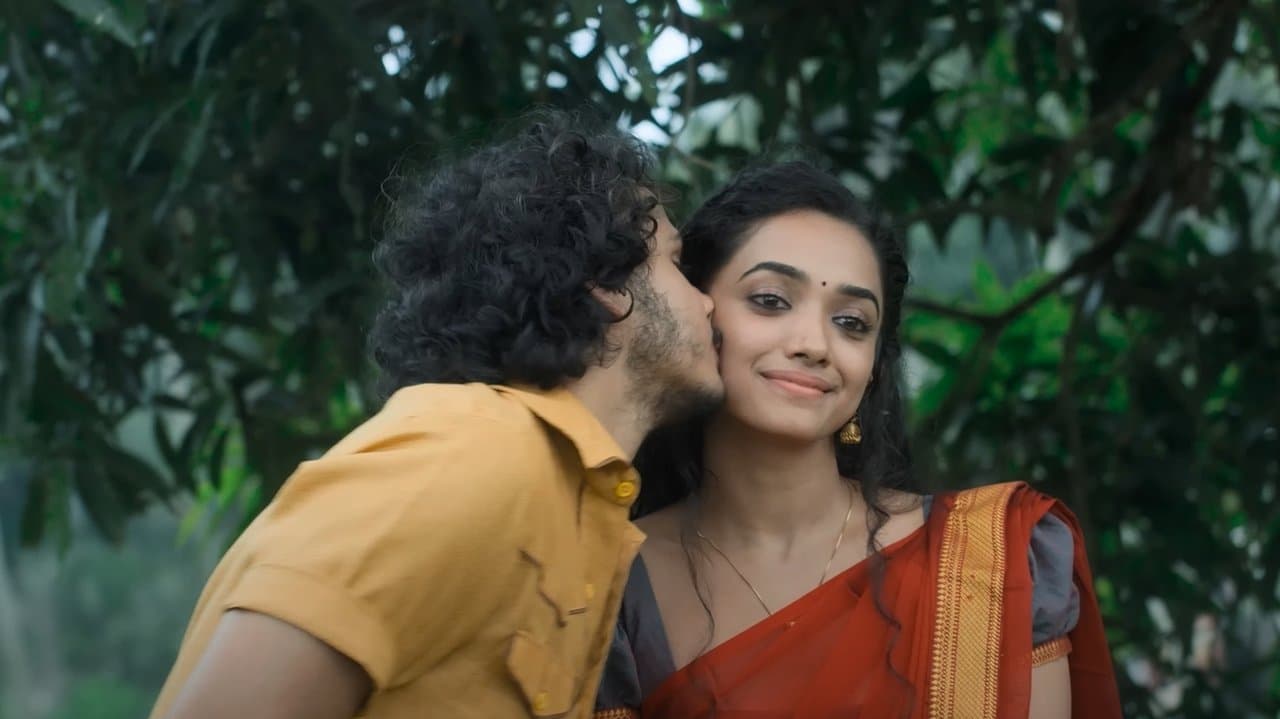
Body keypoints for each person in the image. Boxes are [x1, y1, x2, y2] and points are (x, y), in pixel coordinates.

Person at [148, 110, 725, 719]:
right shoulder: (472, 455)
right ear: (606, 284)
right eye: (677, 264)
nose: (708, 302)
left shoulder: (561, 492)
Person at [593, 162, 1122, 718]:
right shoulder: (605, 585)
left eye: (851, 322)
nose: (814, 344)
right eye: (770, 300)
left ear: (874, 367)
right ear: (695, 309)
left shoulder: (994, 559)